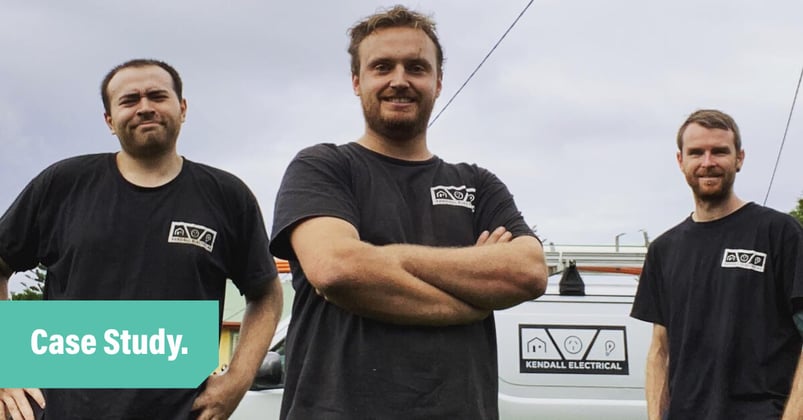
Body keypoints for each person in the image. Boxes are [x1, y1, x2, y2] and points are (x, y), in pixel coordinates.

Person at [269, 5, 548, 420]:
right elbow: (337, 270)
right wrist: (472, 295)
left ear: (437, 83)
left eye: (416, 67)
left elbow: (527, 271)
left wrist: (382, 259)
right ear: (356, 81)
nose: (399, 80)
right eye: (382, 67)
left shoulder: (477, 184)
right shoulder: (323, 167)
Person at [0, 59, 284, 420]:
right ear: (109, 121)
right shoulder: (63, 184)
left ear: (182, 109)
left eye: (157, 96)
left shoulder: (228, 197)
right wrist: (7, 367)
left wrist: (238, 380)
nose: (145, 107)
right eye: (129, 99)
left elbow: (267, 294)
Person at [631, 109, 803, 419]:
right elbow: (659, 350)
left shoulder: (779, 233)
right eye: (696, 152)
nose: (707, 162)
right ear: (680, 161)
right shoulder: (663, 250)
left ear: (739, 158)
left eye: (719, 151)